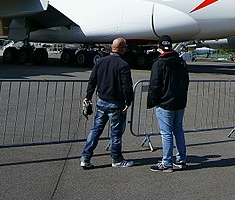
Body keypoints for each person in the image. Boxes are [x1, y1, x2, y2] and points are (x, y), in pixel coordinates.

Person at [80, 37, 135, 169]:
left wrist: (88, 96)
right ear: (121, 49)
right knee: (115, 133)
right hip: (116, 103)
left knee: (95, 130)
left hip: (102, 101)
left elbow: (92, 80)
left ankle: (85, 157)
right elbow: (126, 86)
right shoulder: (123, 65)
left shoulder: (101, 62)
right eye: (125, 47)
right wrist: (128, 101)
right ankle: (116, 159)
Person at [146, 35, 190, 172]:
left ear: (159, 47)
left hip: (165, 103)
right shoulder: (181, 62)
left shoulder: (159, 63)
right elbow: (186, 82)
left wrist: (152, 102)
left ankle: (167, 163)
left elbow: (154, 85)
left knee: (166, 133)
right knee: (178, 130)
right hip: (179, 102)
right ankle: (181, 159)